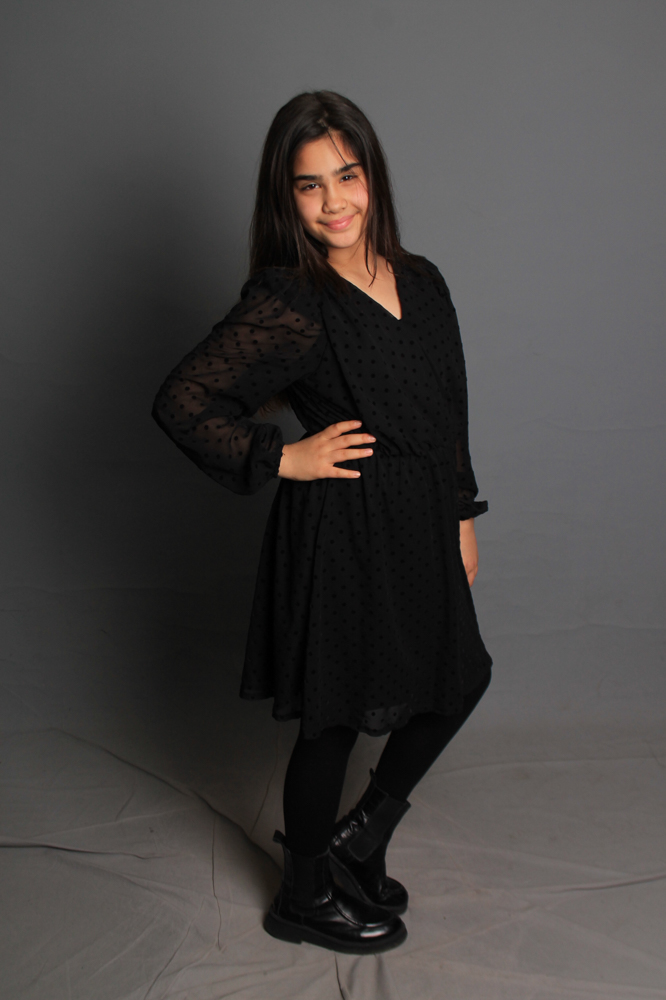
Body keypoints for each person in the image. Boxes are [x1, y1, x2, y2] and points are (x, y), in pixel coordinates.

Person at [152, 90, 492, 955]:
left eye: (347, 176)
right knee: (335, 720)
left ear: (373, 176)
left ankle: (360, 839)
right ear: (287, 198)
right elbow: (183, 400)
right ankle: (302, 895)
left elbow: (449, 410)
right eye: (309, 186)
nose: (334, 201)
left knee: (459, 677)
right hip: (343, 529)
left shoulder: (424, 279)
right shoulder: (292, 300)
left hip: (420, 517)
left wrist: (462, 513)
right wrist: (283, 458)